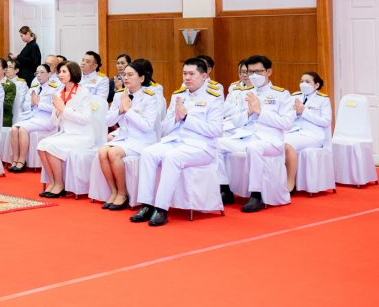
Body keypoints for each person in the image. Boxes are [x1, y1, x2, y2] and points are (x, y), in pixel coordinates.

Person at [131, 58, 224, 227]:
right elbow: (165, 127)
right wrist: (176, 118)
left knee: (172, 157)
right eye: (184, 73)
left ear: (204, 76)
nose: (187, 77)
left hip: (201, 147)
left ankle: (161, 209)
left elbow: (215, 130)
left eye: (192, 74)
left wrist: (187, 118)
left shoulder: (214, 97)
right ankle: (146, 205)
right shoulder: (178, 95)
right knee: (148, 153)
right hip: (176, 141)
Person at [220, 54, 294, 213]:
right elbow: (235, 121)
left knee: (254, 148)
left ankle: (256, 194)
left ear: (269, 72)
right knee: (216, 144)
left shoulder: (281, 94)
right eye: (251, 72)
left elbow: (287, 123)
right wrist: (248, 113)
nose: (254, 76)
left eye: (258, 72)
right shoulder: (244, 93)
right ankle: (225, 189)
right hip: (246, 137)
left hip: (270, 140)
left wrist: (260, 112)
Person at [96, 58, 164, 209]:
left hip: (142, 140)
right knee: (102, 151)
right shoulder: (119, 95)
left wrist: (128, 110)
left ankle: (122, 194)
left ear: (141, 78)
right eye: (124, 75)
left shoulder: (150, 97)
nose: (126, 78)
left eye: (130, 75)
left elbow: (147, 126)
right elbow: (107, 121)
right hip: (124, 138)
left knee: (113, 153)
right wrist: (120, 110)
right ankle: (114, 191)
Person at [36, 61, 95, 197]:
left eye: (64, 72)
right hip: (65, 134)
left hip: (81, 135)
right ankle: (53, 182)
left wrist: (64, 109)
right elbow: (54, 121)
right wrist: (57, 112)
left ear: (72, 73)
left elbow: (85, 118)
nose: (60, 75)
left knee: (50, 146)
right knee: (41, 146)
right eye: (59, 72)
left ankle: (60, 185)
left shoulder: (83, 92)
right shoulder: (58, 93)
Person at [284, 71, 332, 192]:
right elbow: (286, 117)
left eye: (307, 81)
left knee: (287, 145)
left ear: (316, 85)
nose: (303, 84)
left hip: (313, 135)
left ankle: (290, 183)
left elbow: (325, 121)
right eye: (301, 81)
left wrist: (304, 112)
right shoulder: (294, 97)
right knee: (276, 142)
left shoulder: (323, 100)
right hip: (294, 132)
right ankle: (278, 180)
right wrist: (296, 113)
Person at [8, 63, 59, 172]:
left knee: (22, 129)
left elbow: (55, 108)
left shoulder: (54, 88)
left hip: (46, 119)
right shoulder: (34, 87)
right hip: (32, 117)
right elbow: (25, 105)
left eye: (42, 72)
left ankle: (22, 160)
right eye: (37, 73)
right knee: (14, 129)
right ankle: (15, 159)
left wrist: (38, 103)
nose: (39, 75)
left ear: (49, 74)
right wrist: (32, 103)